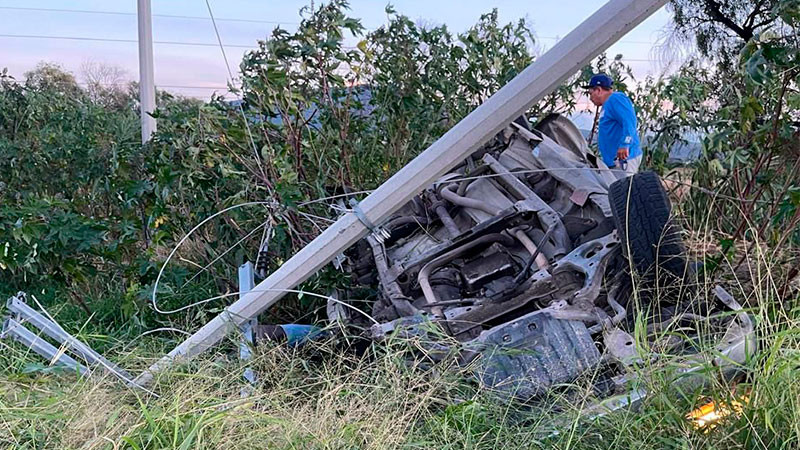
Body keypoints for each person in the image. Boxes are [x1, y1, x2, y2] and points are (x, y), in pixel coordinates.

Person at [585, 73, 642, 175]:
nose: (590, 98)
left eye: (590, 93)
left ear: (598, 90)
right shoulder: (607, 104)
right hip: (614, 162)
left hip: (623, 159)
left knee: (623, 189)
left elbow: (630, 121)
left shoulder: (616, 99)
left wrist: (625, 144)